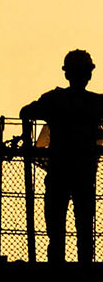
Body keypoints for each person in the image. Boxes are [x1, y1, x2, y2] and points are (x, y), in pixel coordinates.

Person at [19, 49, 103, 263]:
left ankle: (57, 268)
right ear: (89, 74)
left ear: (67, 74)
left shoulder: (55, 100)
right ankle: (84, 268)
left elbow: (26, 112)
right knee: (83, 226)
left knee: (57, 227)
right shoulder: (96, 104)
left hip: (60, 173)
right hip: (82, 174)